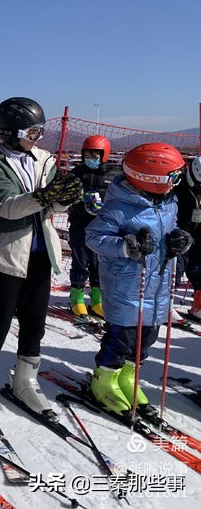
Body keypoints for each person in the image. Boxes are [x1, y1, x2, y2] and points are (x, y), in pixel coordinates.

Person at [0, 97, 83, 421]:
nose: (37, 137)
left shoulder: (44, 159)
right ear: (10, 131)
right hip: (9, 252)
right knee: (1, 318)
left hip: (40, 252)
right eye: (31, 131)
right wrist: (47, 196)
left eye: (39, 131)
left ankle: (25, 379)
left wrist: (64, 199)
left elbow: (52, 209)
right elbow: (7, 206)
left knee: (34, 320)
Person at [87, 143, 192, 414]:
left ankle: (128, 376)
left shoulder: (167, 202)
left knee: (147, 338)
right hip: (128, 287)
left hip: (156, 286)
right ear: (152, 178)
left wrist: (181, 240)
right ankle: (105, 378)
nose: (177, 182)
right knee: (121, 338)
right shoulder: (120, 206)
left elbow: (172, 230)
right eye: (174, 176)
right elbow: (94, 237)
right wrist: (126, 246)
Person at [67, 135, 120, 318]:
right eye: (87, 155)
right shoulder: (77, 173)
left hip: (103, 227)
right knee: (80, 260)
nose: (90, 158)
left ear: (104, 155)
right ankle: (77, 298)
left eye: (95, 155)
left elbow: (119, 200)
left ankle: (97, 299)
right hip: (80, 224)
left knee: (99, 263)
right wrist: (80, 198)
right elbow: (66, 197)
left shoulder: (114, 176)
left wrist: (105, 205)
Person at [175, 156, 201, 319]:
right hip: (180, 232)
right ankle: (166, 305)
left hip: (199, 232)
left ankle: (198, 305)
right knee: (176, 268)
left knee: (198, 268)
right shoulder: (180, 186)